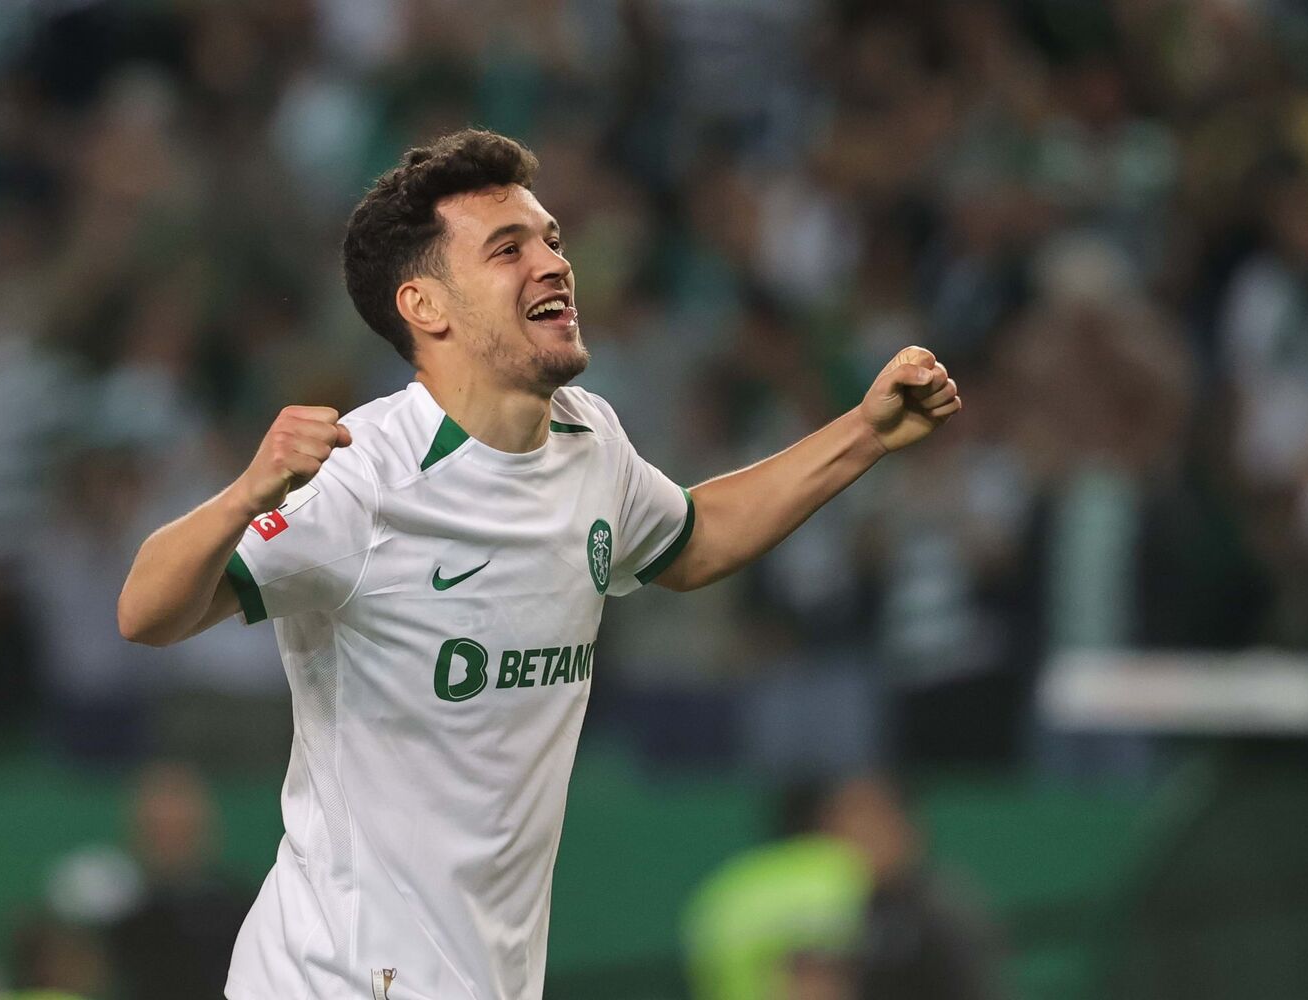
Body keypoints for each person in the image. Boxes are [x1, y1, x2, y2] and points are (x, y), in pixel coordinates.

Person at [117, 128, 962, 1000]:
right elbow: (145, 611)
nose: (554, 264)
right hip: (335, 977)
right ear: (426, 306)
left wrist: (865, 433)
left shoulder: (588, 436)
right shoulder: (362, 477)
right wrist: (245, 494)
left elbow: (694, 539)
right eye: (507, 249)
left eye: (551, 240)